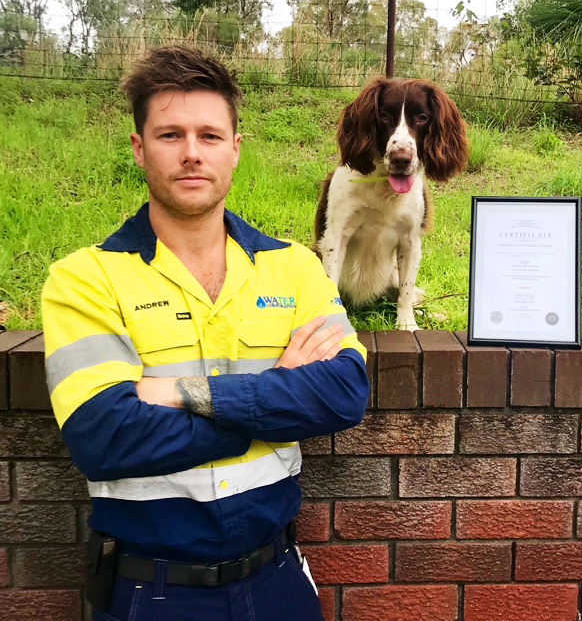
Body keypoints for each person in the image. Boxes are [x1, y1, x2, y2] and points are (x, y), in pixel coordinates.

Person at [41, 44, 369, 621]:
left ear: (235, 150)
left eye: (210, 136)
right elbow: (106, 438)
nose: (192, 153)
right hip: (150, 592)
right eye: (170, 135)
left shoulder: (294, 266)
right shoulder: (84, 279)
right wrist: (273, 396)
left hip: (278, 582)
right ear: (140, 148)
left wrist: (176, 394)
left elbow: (344, 393)